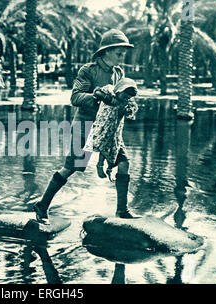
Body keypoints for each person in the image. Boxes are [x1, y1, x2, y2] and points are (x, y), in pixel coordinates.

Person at [33, 29, 135, 223]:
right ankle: (42, 205)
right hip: (85, 125)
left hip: (109, 128)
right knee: (71, 167)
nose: (122, 57)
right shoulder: (87, 70)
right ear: (106, 52)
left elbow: (120, 99)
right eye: (118, 53)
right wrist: (96, 95)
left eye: (123, 53)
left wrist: (126, 105)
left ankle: (122, 210)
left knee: (124, 163)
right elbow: (75, 97)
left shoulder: (119, 73)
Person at [86, 78, 138, 182]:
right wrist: (108, 98)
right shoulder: (109, 91)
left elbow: (132, 112)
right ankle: (100, 165)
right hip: (103, 126)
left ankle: (109, 168)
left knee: (114, 148)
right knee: (104, 143)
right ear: (119, 90)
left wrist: (128, 109)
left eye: (128, 98)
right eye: (124, 96)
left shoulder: (126, 102)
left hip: (115, 129)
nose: (126, 99)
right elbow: (97, 92)